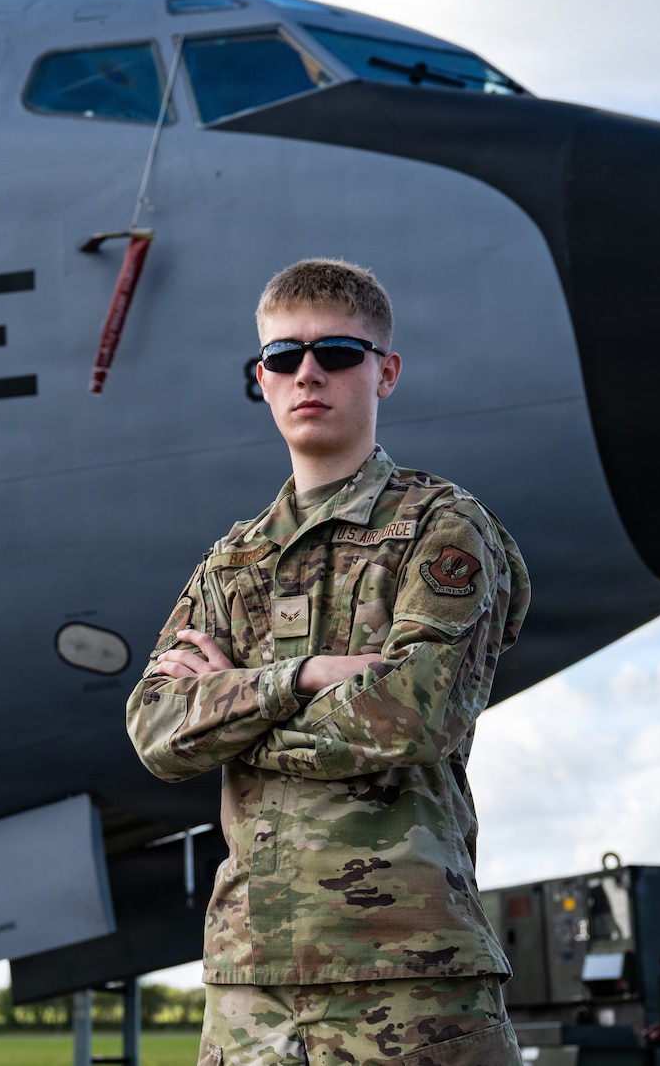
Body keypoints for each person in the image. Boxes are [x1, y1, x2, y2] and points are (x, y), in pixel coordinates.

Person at [126, 259, 530, 1066]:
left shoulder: (442, 531)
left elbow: (411, 715)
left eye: (338, 352)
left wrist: (233, 713)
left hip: (412, 974)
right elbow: (155, 730)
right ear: (263, 379)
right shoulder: (231, 562)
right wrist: (301, 678)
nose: (308, 372)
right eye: (283, 356)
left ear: (386, 371)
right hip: (252, 983)